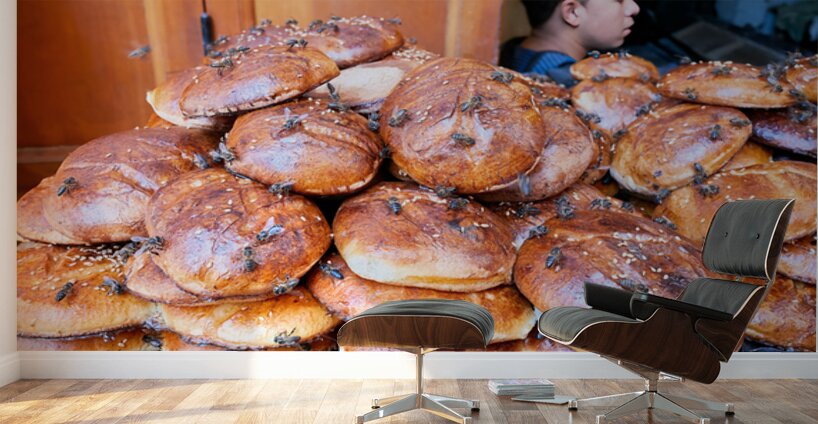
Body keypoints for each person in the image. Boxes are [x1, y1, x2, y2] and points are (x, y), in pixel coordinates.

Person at [506, 0, 640, 86]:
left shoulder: (513, 50)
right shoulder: (568, 86)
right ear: (573, 13)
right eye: (619, 1)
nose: (634, 8)